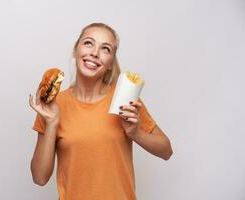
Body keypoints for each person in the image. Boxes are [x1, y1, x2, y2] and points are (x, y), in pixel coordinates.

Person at [29, 22, 173, 200]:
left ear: (111, 62)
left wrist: (135, 133)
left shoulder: (124, 100)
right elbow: (39, 177)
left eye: (105, 49)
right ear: (76, 50)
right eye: (88, 43)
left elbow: (166, 151)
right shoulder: (53, 105)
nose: (95, 53)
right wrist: (51, 123)